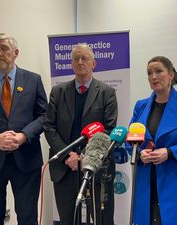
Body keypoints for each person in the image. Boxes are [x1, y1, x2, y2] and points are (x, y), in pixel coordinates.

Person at [0, 33, 47, 225]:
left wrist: (24, 135)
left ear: (15, 52)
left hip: (26, 159)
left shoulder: (33, 80)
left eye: (4, 48)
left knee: (27, 217)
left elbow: (44, 116)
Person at [127, 56, 177, 225]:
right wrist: (140, 153)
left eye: (158, 71)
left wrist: (169, 152)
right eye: (149, 73)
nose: (153, 77)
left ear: (171, 74)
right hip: (146, 185)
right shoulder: (140, 106)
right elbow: (131, 142)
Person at [43, 44, 118, 225]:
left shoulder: (107, 93)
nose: (80, 62)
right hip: (65, 166)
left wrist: (84, 157)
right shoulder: (58, 92)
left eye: (84, 58)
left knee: (102, 220)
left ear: (94, 63)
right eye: (76, 58)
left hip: (96, 167)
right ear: (71, 64)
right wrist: (69, 155)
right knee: (68, 220)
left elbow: (108, 130)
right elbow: (49, 126)